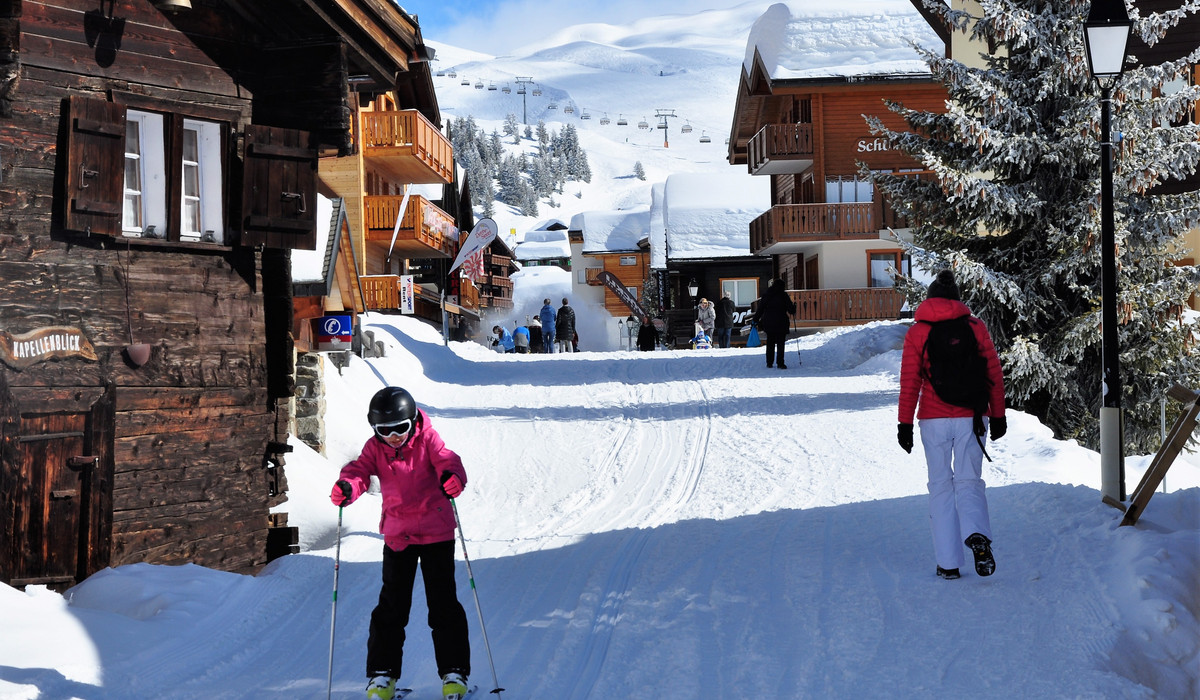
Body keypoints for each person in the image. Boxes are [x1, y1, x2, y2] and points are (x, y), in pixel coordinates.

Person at [330, 387, 471, 700]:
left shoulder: (428, 440)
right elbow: (359, 472)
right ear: (375, 430)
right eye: (384, 430)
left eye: (400, 429)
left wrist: (452, 477)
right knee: (392, 608)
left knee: (443, 604)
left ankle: (454, 673)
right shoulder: (374, 448)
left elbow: (448, 460)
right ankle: (382, 676)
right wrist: (348, 487)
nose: (393, 437)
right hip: (398, 536)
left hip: (436, 533)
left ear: (413, 423)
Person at [897, 269, 1007, 581]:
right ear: (957, 301)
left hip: (933, 420)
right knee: (969, 482)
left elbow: (910, 382)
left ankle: (948, 563)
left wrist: (904, 423)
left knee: (941, 487)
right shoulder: (974, 326)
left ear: (929, 300)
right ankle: (977, 534)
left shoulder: (918, 332)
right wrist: (998, 415)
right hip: (972, 417)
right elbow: (993, 373)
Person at [751, 278, 796, 369]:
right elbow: (791, 310)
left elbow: (760, 309)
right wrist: (794, 306)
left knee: (770, 342)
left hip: (769, 321)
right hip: (781, 322)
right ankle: (780, 363)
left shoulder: (767, 295)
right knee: (780, 343)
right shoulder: (784, 295)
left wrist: (755, 320)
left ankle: (769, 362)